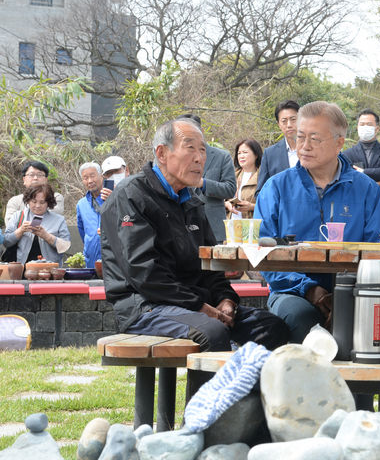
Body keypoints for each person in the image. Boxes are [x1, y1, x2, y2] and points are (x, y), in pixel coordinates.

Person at [100, 118, 289, 352]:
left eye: (203, 150)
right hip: (145, 305)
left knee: (271, 326)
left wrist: (226, 300)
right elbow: (143, 272)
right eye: (190, 148)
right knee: (213, 331)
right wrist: (201, 307)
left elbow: (210, 263)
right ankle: (210, 390)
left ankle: (248, 388)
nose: (200, 158)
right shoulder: (131, 196)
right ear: (162, 153)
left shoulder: (192, 201)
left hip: (193, 304)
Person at [254, 101, 380, 343]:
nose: (304, 146)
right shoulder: (276, 187)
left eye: (315, 139)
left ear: (339, 143)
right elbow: (261, 253)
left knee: (370, 315)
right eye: (300, 137)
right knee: (301, 316)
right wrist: (308, 288)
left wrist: (345, 292)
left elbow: (376, 248)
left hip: (352, 288)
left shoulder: (365, 189)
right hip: (291, 290)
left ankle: (361, 381)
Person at [178, 114, 237, 243]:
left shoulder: (222, 156)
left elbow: (230, 189)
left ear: (201, 132)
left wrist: (203, 183)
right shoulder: (173, 158)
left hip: (214, 230)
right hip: (181, 229)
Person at [342, 109, 380, 222]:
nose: (365, 127)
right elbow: (346, 178)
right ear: (357, 127)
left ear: (377, 128)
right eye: (362, 124)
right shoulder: (347, 154)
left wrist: (362, 172)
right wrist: (378, 178)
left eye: (369, 124)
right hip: (356, 205)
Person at [3, 184, 71, 265]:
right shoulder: (18, 216)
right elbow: (6, 242)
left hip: (50, 271)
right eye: (34, 202)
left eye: (42, 202)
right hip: (22, 269)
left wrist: (46, 236)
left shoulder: (59, 220)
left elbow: (65, 246)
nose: (37, 206)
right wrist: (20, 231)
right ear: (28, 200)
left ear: (48, 203)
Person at [256, 100, 300, 193]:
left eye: (293, 119)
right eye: (284, 121)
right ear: (279, 124)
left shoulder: (315, 148)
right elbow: (261, 191)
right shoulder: (270, 154)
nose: (289, 125)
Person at [4, 161, 65, 228]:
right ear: (24, 180)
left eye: (39, 175)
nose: (35, 178)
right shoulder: (15, 201)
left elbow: (52, 219)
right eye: (31, 175)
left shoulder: (56, 197)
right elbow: (10, 225)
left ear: (46, 179)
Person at [76, 162, 105, 267]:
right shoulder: (81, 204)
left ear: (101, 176)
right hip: (91, 262)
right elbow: (83, 232)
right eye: (85, 178)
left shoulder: (113, 197)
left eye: (93, 176)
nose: (90, 181)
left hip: (113, 261)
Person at [225, 139, 262, 219]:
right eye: (239, 153)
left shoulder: (262, 177)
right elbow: (220, 200)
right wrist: (226, 204)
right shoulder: (232, 176)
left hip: (252, 225)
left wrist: (252, 207)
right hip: (231, 224)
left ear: (256, 155)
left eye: (245, 152)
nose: (241, 156)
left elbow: (270, 205)